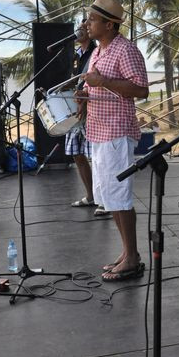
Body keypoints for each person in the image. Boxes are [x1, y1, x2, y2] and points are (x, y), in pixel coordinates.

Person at [76, 0, 149, 282]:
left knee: (119, 196)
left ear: (109, 24)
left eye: (93, 19)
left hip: (117, 132)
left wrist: (103, 82)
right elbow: (95, 86)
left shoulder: (125, 50)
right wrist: (85, 94)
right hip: (98, 130)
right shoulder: (96, 52)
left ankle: (132, 256)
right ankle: (127, 252)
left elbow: (141, 90)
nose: (87, 23)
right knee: (109, 196)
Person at [65, 19, 99, 212]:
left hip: (91, 108)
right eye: (80, 26)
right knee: (77, 153)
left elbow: (93, 82)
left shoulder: (95, 52)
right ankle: (91, 195)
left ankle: (104, 199)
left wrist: (85, 101)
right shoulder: (76, 56)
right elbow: (77, 80)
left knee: (97, 156)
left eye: (86, 26)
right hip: (77, 107)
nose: (82, 28)